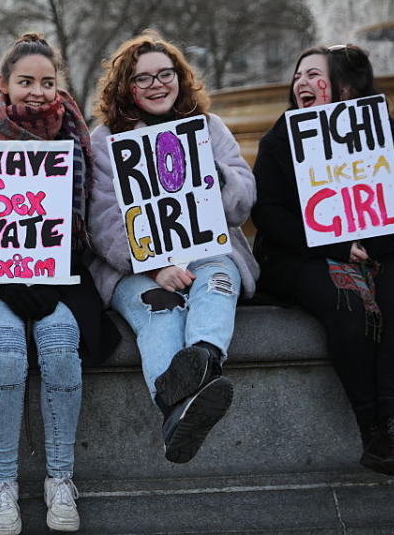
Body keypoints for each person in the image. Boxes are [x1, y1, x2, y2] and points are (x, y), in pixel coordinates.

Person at [251, 44, 394, 480]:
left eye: (314, 74)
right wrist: (335, 247)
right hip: (303, 257)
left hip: (384, 250)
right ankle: (371, 429)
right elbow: (268, 215)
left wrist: (375, 241)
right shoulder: (279, 139)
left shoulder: (384, 129)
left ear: (344, 86)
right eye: (298, 76)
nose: (302, 83)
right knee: (347, 304)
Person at [0, 33, 120, 535]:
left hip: (57, 277)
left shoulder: (73, 139)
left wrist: (47, 277)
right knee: (8, 350)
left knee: (61, 346)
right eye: (25, 82)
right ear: (4, 84)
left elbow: (79, 224)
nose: (37, 92)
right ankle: (3, 486)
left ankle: (60, 479)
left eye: (47, 82)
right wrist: (4, 280)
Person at [87, 29, 259, 464]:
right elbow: (102, 219)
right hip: (135, 269)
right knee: (160, 309)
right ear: (125, 87)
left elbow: (243, 199)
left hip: (208, 251)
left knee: (220, 280)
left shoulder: (210, 128)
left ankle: (201, 358)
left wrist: (215, 174)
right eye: (142, 78)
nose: (156, 84)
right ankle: (179, 408)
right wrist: (153, 265)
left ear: (180, 77)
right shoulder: (105, 140)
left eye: (165, 74)